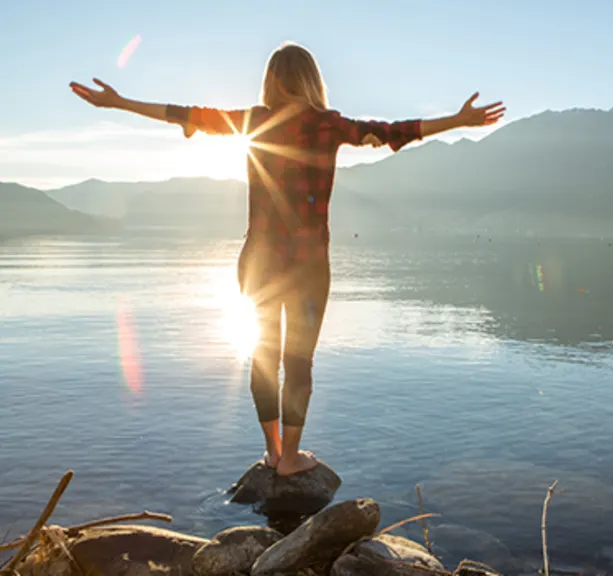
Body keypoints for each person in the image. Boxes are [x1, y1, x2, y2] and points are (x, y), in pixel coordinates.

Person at [70, 41, 506, 477]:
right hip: (309, 264)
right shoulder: (329, 125)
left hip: (257, 260)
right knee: (299, 361)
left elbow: (182, 113)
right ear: (312, 80)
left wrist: (119, 102)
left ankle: (274, 451)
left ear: (272, 80)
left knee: (263, 354)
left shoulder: (254, 122)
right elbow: (396, 131)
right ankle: (292, 459)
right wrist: (458, 120)